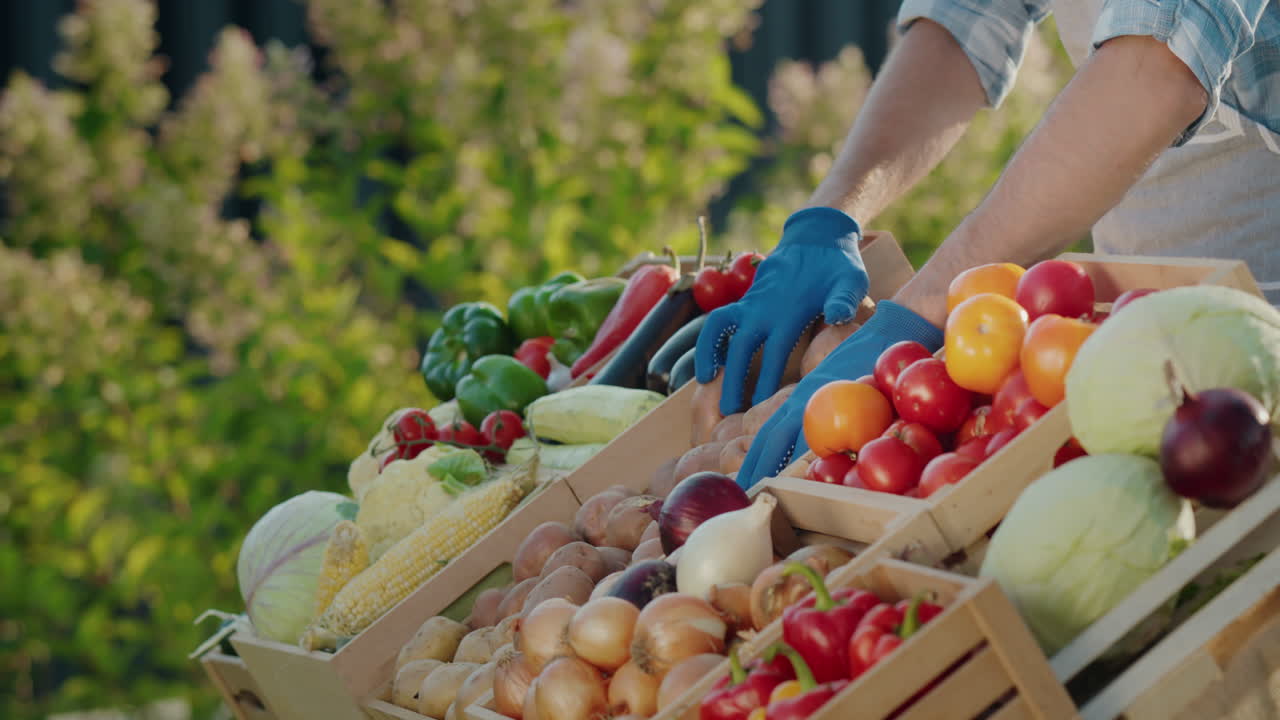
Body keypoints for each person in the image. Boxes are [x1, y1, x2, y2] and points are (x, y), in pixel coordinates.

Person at [699, 0, 1280, 489]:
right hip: (1149, 314)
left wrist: (924, 306)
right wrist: (831, 214)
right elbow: (968, 18)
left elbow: (1156, 70)